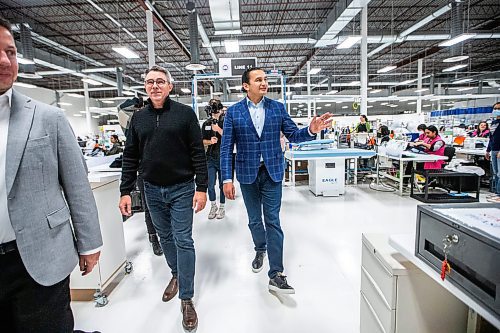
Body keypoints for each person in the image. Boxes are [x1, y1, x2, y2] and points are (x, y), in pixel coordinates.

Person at [0, 18, 103, 332]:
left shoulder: (48, 117)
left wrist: (89, 244)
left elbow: (76, 185)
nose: (5, 61)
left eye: (11, 52)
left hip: (41, 255)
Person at [220, 67, 332, 294]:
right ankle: (260, 248)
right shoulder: (233, 112)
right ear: (245, 85)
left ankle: (276, 274)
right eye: (258, 79)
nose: (264, 83)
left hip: (272, 172)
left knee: (272, 220)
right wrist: (226, 179)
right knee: (254, 220)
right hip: (247, 173)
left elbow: (293, 135)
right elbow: (225, 148)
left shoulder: (277, 108)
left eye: (265, 79)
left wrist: (310, 130)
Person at [119, 65, 207, 332]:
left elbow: (197, 153)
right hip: (151, 189)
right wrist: (125, 190)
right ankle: (176, 274)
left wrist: (202, 187)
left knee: (183, 238)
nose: (154, 86)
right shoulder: (138, 118)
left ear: (169, 86)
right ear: (145, 87)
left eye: (160, 82)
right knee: (164, 237)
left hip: (181, 187)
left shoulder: (185, 115)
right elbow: (130, 155)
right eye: (149, 82)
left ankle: (187, 298)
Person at [201, 98, 226, 220]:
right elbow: (202, 141)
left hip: (222, 158)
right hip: (210, 158)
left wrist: (219, 130)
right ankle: (213, 205)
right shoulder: (206, 124)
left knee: (222, 184)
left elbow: (230, 138)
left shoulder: (226, 122)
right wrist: (209, 142)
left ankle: (222, 206)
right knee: (210, 184)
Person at [486, 102, 500, 203]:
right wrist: (488, 150)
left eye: (498, 108)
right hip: (494, 150)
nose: (496, 110)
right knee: (496, 173)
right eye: (495, 108)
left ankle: (499, 194)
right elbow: (491, 138)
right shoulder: (494, 123)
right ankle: (496, 192)